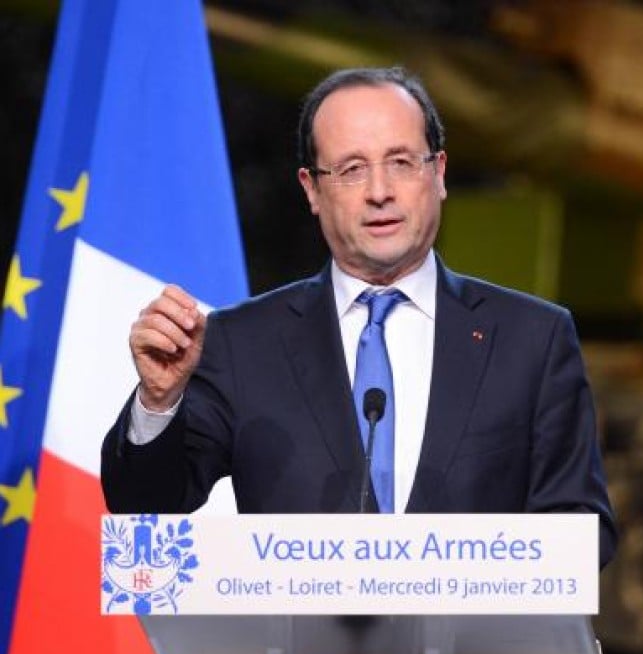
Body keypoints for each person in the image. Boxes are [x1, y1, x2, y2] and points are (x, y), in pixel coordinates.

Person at [102, 67, 615, 593]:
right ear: (312, 190)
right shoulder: (241, 342)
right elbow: (147, 512)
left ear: (438, 173)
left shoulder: (533, 338)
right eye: (350, 170)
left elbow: (583, 531)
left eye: (400, 162)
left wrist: (468, 582)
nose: (379, 192)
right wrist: (159, 401)